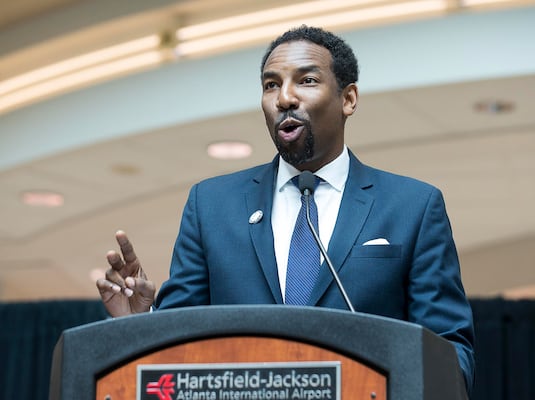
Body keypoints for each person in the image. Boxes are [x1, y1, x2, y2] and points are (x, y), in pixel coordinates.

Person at [97, 25, 475, 392]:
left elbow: (450, 353)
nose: (284, 98)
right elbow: (179, 353)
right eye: (271, 84)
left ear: (348, 99)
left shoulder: (414, 206)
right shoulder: (210, 205)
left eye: (307, 81)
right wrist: (138, 326)